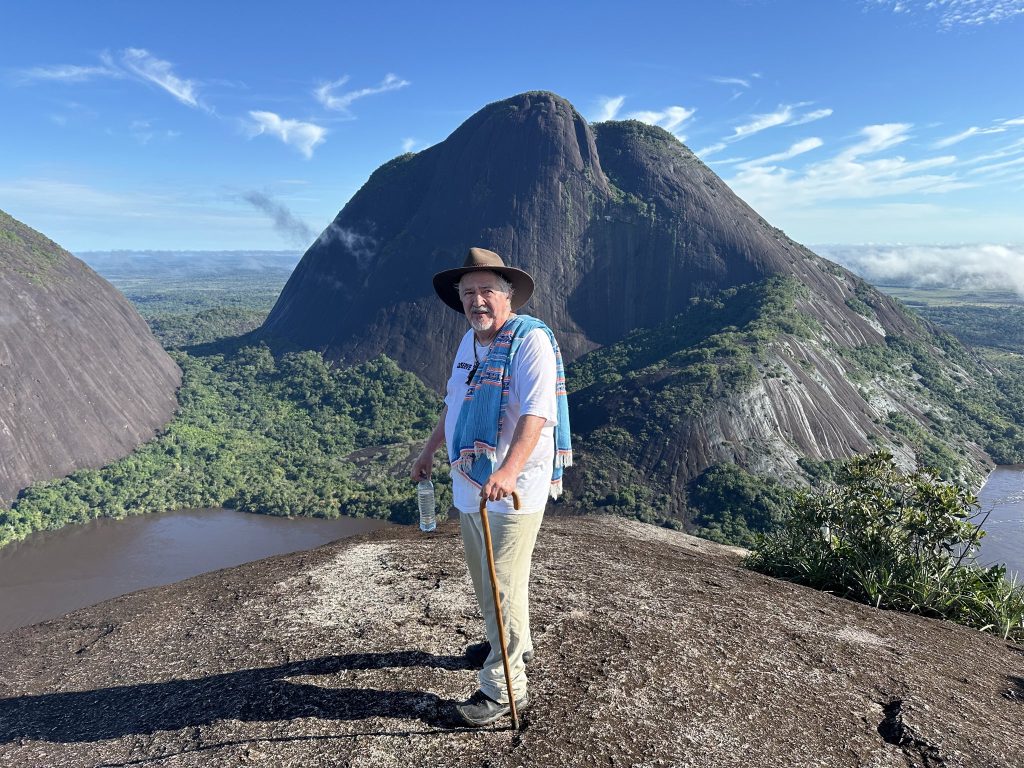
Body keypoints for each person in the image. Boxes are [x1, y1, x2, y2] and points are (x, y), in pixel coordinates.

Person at [410, 246, 572, 727]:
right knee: (487, 579)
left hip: (511, 491)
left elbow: (537, 413)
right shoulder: (470, 342)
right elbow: (455, 404)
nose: (476, 301)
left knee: (504, 588)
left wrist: (507, 470)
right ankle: (501, 640)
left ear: (508, 296)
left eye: (486, 291)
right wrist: (429, 450)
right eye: (468, 293)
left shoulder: (529, 343)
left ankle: (502, 689)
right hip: (470, 485)